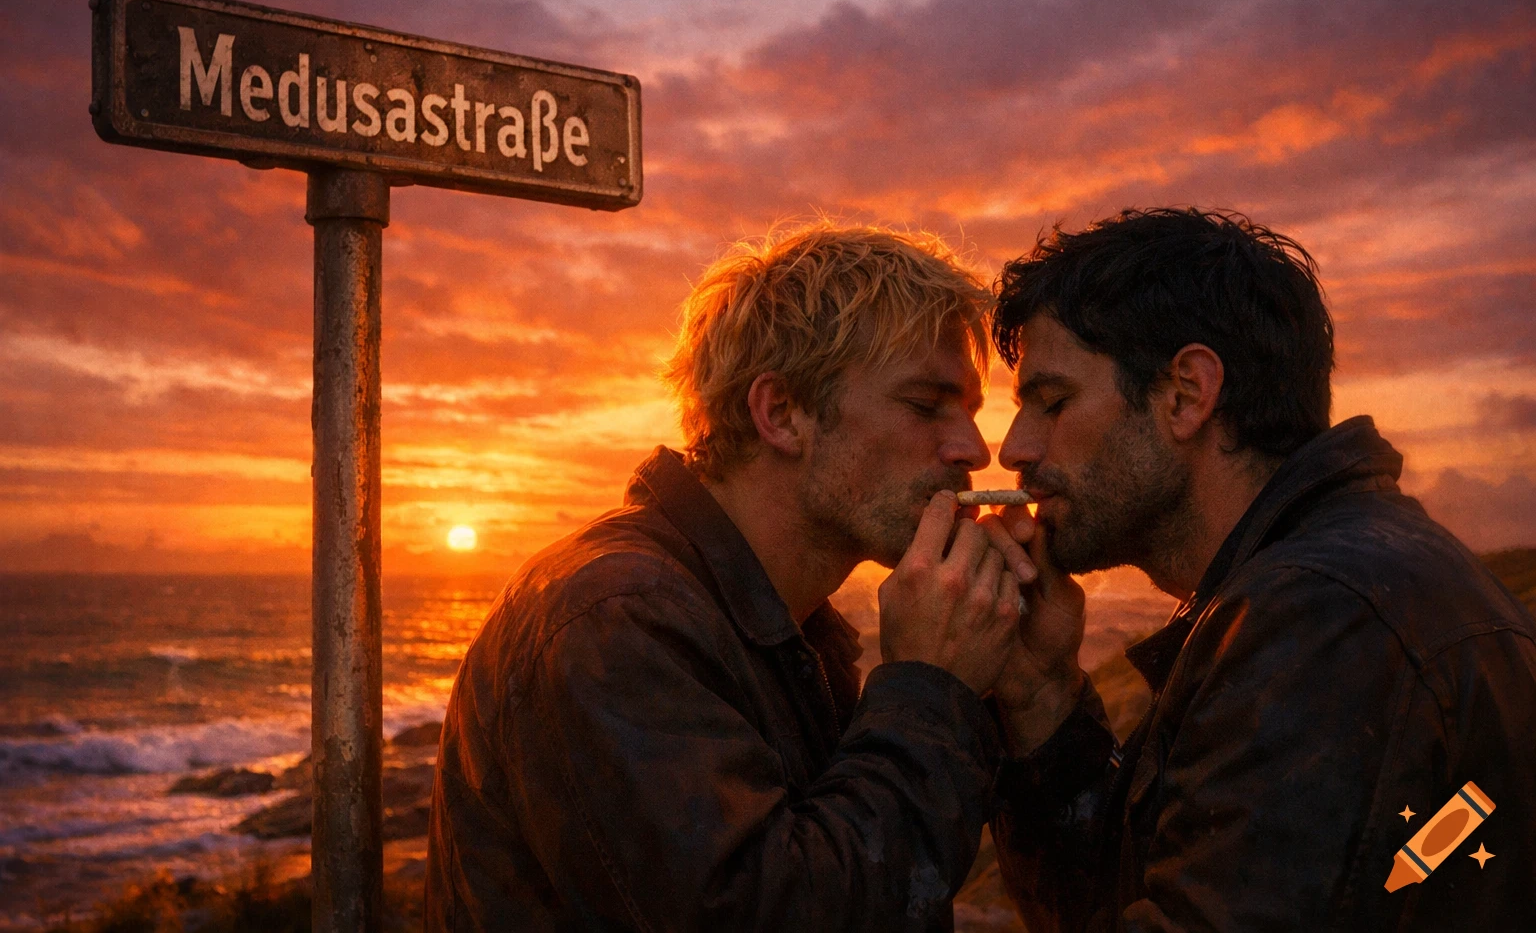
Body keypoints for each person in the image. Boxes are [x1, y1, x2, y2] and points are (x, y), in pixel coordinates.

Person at [425, 224, 1036, 930]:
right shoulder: (618, 618)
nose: (973, 448)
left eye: (969, 410)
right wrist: (932, 687)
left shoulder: (782, 620)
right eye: (926, 405)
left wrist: (1026, 685)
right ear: (780, 413)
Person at [980, 208, 1536, 931]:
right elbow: (1132, 899)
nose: (1014, 448)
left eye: (1052, 401)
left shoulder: (1320, 620)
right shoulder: (1340, 582)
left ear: (1187, 392)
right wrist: (1037, 691)